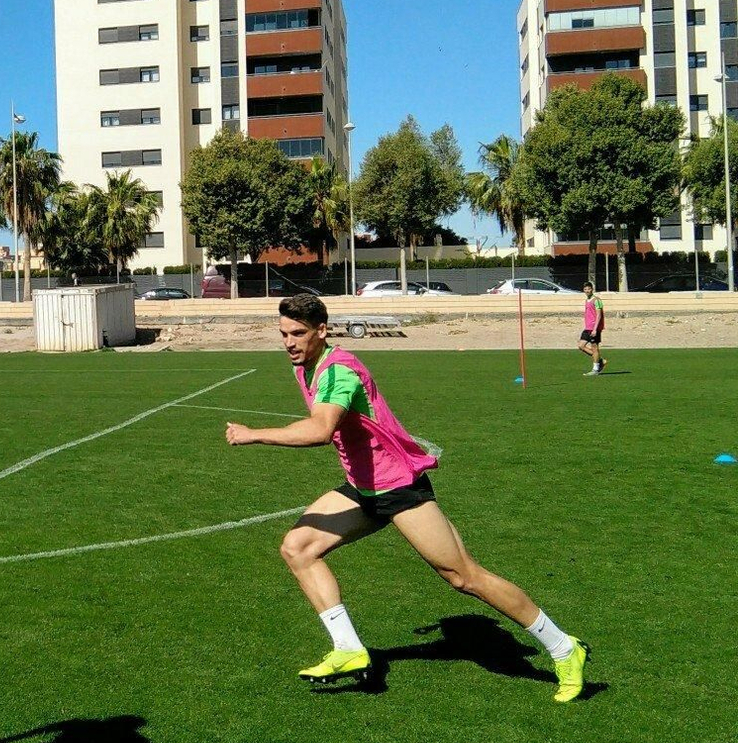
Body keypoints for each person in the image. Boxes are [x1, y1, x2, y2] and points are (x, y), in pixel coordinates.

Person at [224, 294, 589, 702]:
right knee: (298, 548)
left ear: (322, 331)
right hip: (364, 487)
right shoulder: (307, 366)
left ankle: (564, 648)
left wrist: (254, 434)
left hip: (398, 487)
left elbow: (320, 430)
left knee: (464, 577)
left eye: (298, 333)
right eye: (284, 334)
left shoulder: (339, 371)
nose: (289, 342)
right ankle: (348, 649)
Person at [579, 282, 606, 376]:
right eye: (585, 289)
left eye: (589, 289)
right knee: (581, 346)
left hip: (594, 328)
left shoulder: (597, 300)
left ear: (592, 289)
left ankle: (595, 369)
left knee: (595, 348)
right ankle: (600, 360)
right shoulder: (587, 300)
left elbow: (599, 315)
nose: (587, 291)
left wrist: (595, 329)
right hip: (587, 327)